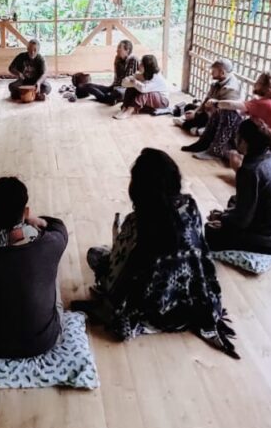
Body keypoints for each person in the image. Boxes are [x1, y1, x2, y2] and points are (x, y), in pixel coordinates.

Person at [72, 148, 237, 357]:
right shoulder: (190, 206)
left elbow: (118, 273)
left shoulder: (139, 223)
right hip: (192, 302)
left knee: (95, 255)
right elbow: (201, 253)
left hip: (151, 308)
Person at [0, 177, 68, 358]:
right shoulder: (52, 244)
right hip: (42, 342)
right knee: (50, 274)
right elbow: (58, 226)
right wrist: (32, 220)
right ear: (26, 211)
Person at [204, 119, 271, 254]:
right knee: (234, 200)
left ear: (244, 142)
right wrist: (225, 216)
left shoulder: (250, 170)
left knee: (210, 231)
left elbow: (242, 220)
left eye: (238, 136)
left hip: (269, 241)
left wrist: (224, 220)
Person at [183, 70, 271, 161]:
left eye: (258, 81)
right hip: (260, 141)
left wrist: (216, 103)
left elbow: (233, 105)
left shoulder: (266, 103)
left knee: (228, 112)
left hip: (259, 146)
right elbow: (242, 111)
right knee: (224, 111)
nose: (255, 83)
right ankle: (204, 143)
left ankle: (216, 150)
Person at [176, 58, 241, 133]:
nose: (211, 73)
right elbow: (207, 98)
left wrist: (197, 115)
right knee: (189, 107)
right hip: (210, 111)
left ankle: (188, 125)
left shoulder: (231, 88)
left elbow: (222, 113)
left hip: (221, 118)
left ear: (222, 73)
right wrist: (195, 111)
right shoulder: (219, 81)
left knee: (202, 117)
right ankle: (198, 127)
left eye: (213, 71)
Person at [72, 40, 138, 105]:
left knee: (111, 95)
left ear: (127, 50)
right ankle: (106, 96)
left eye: (119, 48)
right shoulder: (118, 58)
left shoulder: (133, 59)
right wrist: (112, 88)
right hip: (116, 87)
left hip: (125, 90)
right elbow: (117, 78)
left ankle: (109, 98)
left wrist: (113, 90)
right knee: (85, 85)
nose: (117, 50)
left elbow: (126, 82)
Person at [113, 54, 169, 120]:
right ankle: (124, 108)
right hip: (153, 100)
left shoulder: (156, 77)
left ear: (147, 67)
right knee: (131, 88)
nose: (139, 65)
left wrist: (135, 82)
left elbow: (143, 89)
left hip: (162, 101)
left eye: (142, 64)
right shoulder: (145, 74)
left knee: (145, 93)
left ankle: (129, 112)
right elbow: (125, 82)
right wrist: (133, 81)